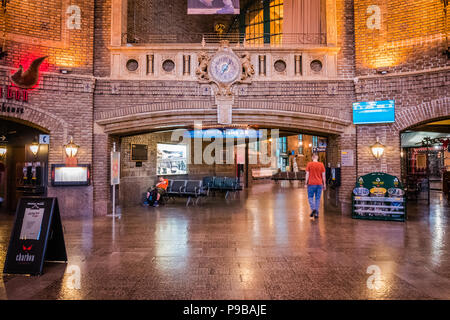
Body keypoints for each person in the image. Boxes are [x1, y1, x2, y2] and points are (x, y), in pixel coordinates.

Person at [305, 154, 326, 219]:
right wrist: (324, 184)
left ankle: (313, 208)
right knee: (317, 198)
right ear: (317, 157)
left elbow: (307, 174)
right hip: (319, 184)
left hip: (311, 183)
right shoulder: (321, 164)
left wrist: (306, 183)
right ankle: (316, 213)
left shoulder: (309, 164)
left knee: (310, 197)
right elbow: (323, 175)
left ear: (312, 158)